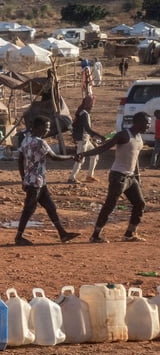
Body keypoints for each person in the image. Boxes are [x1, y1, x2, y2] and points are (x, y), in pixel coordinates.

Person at [83, 111, 150, 243]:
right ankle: (95, 235)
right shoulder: (123, 135)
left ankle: (130, 233)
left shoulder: (138, 137)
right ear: (138, 122)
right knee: (110, 205)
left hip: (130, 177)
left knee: (140, 203)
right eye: (147, 123)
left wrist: (137, 176)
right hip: (118, 176)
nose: (148, 126)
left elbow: (135, 158)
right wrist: (82, 154)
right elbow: (103, 148)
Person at [12, 117, 81, 246]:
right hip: (36, 182)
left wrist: (23, 178)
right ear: (38, 127)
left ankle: (62, 233)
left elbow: (20, 159)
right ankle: (18, 237)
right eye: (46, 127)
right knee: (29, 209)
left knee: (50, 207)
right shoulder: (40, 142)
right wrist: (72, 157)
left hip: (36, 181)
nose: (48, 129)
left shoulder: (26, 139)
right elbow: (54, 157)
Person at [68, 96, 104, 183]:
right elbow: (88, 129)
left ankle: (89, 176)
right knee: (80, 158)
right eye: (92, 104)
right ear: (88, 104)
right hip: (83, 139)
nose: (93, 106)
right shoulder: (85, 114)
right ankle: (71, 178)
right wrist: (100, 136)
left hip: (85, 139)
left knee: (95, 154)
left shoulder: (82, 112)